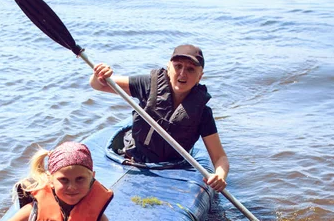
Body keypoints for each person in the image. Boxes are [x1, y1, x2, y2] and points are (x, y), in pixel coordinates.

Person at [89, 44, 229, 192]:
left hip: (171, 168)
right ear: (168, 67)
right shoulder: (147, 85)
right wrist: (99, 74)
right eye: (178, 66)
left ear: (200, 75)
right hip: (134, 158)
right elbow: (98, 85)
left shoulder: (203, 113)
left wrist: (220, 175)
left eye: (190, 69)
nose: (182, 73)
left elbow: (220, 158)